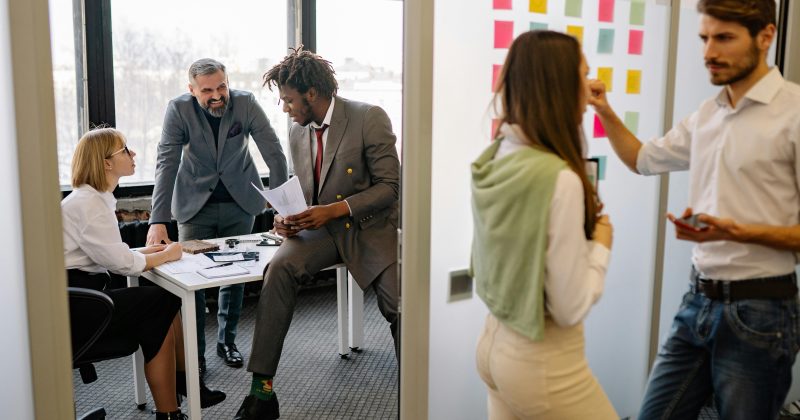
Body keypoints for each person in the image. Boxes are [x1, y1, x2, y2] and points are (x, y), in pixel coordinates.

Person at [589, 0, 800, 418]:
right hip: (696, 303)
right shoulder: (707, 115)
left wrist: (735, 232)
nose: (708, 52)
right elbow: (641, 159)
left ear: (766, 37)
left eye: (724, 38)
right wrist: (604, 109)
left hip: (761, 312)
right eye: (704, 38)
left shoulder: (794, 113)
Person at [233, 47, 400, 420]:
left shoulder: (368, 117)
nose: (284, 107)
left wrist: (335, 209)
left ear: (311, 93)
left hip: (369, 228)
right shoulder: (296, 131)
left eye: (288, 99)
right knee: (278, 270)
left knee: (398, 305)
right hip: (323, 230)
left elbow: (390, 188)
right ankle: (262, 394)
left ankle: (418, 391)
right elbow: (309, 193)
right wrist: (288, 219)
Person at [469, 30, 617, 420]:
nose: (591, 90)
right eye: (582, 77)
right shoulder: (559, 179)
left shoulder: (497, 154)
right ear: (557, 88)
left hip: (492, 347)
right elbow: (569, 308)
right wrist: (601, 245)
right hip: (543, 362)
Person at [62, 127, 226, 419]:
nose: (133, 153)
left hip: (82, 294)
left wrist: (153, 252)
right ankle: (174, 403)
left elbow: (114, 254)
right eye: (125, 149)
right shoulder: (89, 204)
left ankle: (184, 387)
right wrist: (168, 253)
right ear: (106, 163)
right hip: (81, 306)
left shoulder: (91, 199)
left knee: (163, 298)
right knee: (159, 304)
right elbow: (124, 265)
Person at [146, 58, 289, 377]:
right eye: (207, 90)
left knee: (236, 276)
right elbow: (166, 162)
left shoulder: (246, 103)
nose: (216, 95)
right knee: (192, 280)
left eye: (221, 86)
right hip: (195, 206)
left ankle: (227, 342)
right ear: (192, 90)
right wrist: (158, 219)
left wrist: (282, 204)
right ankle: (195, 352)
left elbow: (274, 152)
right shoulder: (178, 110)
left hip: (241, 202)